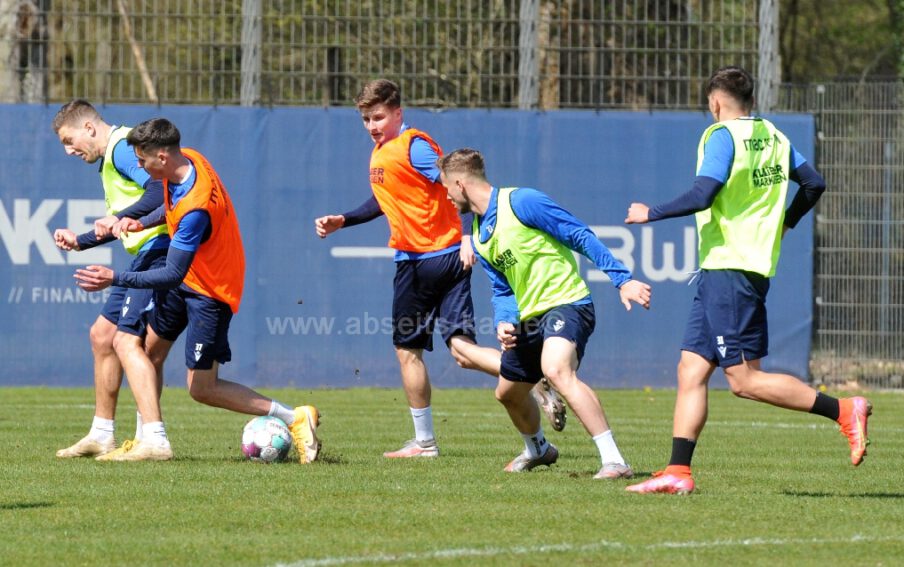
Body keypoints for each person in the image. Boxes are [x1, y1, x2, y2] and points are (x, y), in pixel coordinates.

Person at [623, 66, 871, 495]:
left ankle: (845, 410)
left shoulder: (721, 136)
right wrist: (786, 225)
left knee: (744, 381)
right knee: (691, 369)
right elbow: (814, 183)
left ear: (715, 103)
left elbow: (704, 193)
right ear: (750, 100)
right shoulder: (773, 137)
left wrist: (652, 213)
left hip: (730, 271)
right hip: (736, 268)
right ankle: (677, 473)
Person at [314, 79, 566, 458]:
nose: (371, 125)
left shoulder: (413, 145)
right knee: (462, 351)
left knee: (407, 350)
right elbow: (385, 199)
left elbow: (456, 186)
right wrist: (344, 220)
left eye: (378, 117)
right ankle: (530, 379)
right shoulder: (385, 152)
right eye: (366, 119)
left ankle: (425, 442)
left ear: (398, 113)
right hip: (435, 259)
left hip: (428, 260)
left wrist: (468, 235)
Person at [73, 118, 321, 463]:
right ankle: (151, 440)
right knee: (144, 350)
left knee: (202, 388)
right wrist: (139, 221)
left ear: (161, 157)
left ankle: (293, 416)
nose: (141, 168)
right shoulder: (189, 159)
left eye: (143, 161)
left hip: (210, 292)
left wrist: (113, 278)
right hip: (190, 281)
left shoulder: (196, 209)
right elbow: (168, 206)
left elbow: (171, 273)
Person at [437, 148, 652, 478]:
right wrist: (504, 321)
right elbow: (503, 288)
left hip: (567, 302)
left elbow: (578, 233)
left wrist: (621, 280)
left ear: (459, 183)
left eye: (446, 188)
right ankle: (538, 449)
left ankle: (615, 461)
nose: (446, 197)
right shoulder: (480, 235)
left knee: (555, 369)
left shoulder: (521, 202)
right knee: (507, 393)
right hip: (529, 318)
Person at [52, 99, 170, 459]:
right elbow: (122, 222)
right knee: (102, 336)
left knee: (132, 344)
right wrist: (82, 241)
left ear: (89, 128)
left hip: (160, 250)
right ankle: (102, 434)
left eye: (69, 140)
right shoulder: (113, 158)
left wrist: (120, 215)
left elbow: (158, 192)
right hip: (143, 253)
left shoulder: (121, 149)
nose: (69, 150)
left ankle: (153, 438)